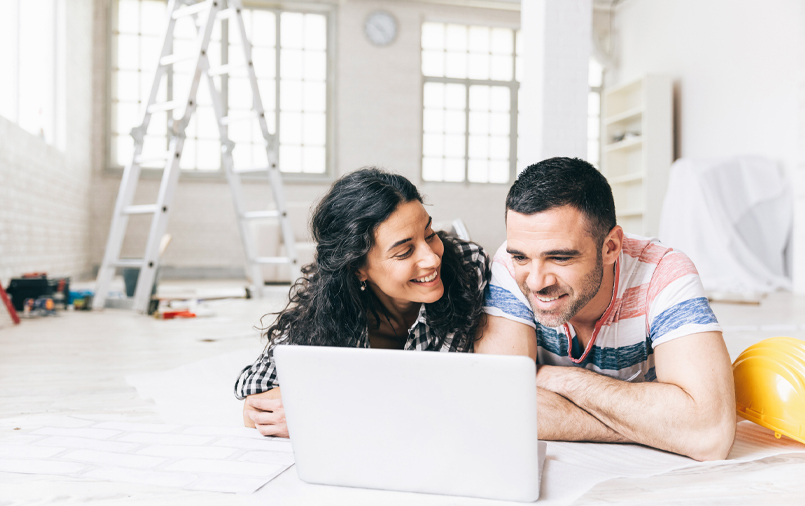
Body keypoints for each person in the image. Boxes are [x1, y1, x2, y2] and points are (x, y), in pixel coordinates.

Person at [476, 157, 736, 461]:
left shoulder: (664, 274)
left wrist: (559, 379)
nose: (536, 281)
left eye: (559, 258)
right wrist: (659, 427)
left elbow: (709, 431)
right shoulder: (508, 269)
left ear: (610, 247)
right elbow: (493, 403)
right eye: (522, 257)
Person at [235, 168, 490, 437]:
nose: (432, 259)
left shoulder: (466, 267)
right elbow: (257, 398)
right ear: (358, 268)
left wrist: (325, 409)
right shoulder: (331, 304)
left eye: (429, 234)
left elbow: (459, 394)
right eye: (404, 252)